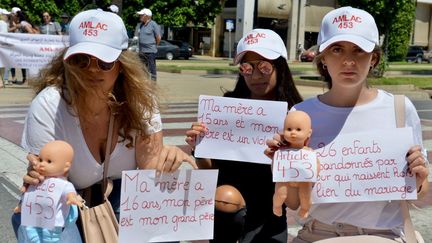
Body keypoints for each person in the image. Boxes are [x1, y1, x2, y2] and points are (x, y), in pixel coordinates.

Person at [11, 9, 196, 241]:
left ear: (121, 64)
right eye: (82, 60)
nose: (92, 69)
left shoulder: (141, 100)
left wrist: (166, 160)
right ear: (68, 62)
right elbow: (47, 181)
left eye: (104, 62)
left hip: (121, 197)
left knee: (163, 228)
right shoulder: (49, 104)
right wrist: (38, 174)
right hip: (65, 201)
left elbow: (150, 167)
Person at [265, 6, 429, 242]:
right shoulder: (302, 114)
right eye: (337, 49)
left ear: (373, 58)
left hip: (381, 235)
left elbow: (416, 195)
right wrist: (283, 167)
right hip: (316, 234)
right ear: (323, 58)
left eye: (359, 50)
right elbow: (293, 203)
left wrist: (420, 178)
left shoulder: (399, 109)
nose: (349, 60)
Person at [185, 29, 303, 243]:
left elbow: (298, 189)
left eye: (265, 67)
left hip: (270, 214)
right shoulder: (226, 109)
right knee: (225, 196)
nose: (256, 75)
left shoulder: (295, 117)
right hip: (226, 209)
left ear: (281, 68)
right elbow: (210, 170)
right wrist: (199, 146)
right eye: (247, 68)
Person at [134, 8, 160, 81]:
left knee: (152, 68)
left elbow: (158, 37)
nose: (140, 16)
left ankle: (153, 84)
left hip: (151, 51)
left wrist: (155, 46)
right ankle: (145, 82)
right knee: (143, 68)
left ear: (147, 16)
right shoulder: (141, 25)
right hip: (142, 51)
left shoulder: (153, 24)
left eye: (141, 15)